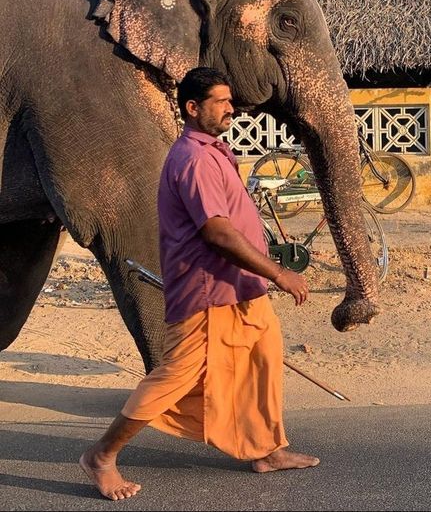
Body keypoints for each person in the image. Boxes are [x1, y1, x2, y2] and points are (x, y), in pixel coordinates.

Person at [79, 67, 319, 500]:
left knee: (263, 353)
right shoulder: (192, 159)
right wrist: (278, 272)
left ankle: (267, 449)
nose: (231, 108)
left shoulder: (213, 151)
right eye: (222, 102)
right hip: (209, 289)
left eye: (231, 101)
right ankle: (101, 455)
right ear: (193, 108)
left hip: (240, 287)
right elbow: (217, 232)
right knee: (176, 376)